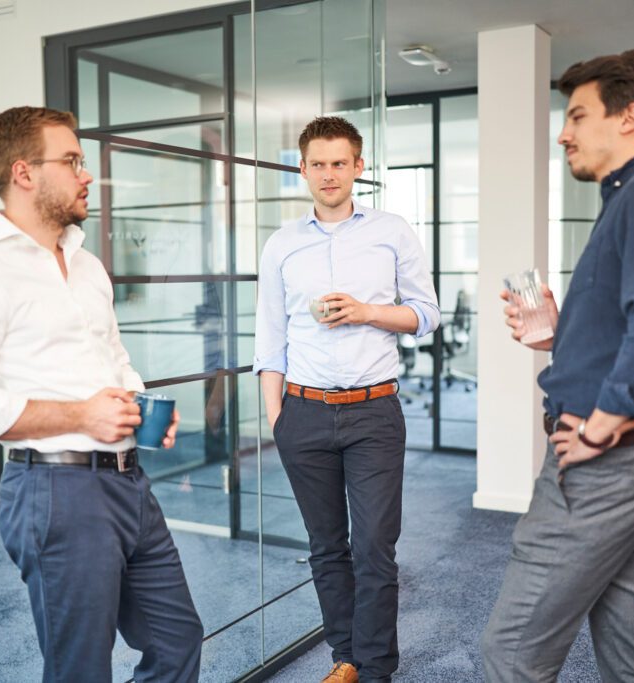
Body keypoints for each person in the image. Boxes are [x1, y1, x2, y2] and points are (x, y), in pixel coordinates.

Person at [0, 106, 203, 683]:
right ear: (24, 173)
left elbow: (113, 357)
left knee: (177, 642)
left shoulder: (86, 264)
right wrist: (81, 415)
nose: (87, 174)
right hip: (55, 491)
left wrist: (137, 403)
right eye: (72, 160)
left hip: (129, 484)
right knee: (80, 668)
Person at [480, 49, 634, 681]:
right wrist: (565, 335)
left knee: (510, 654)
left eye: (578, 114)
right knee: (629, 648)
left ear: (629, 117)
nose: (564, 132)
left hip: (607, 457)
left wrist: (597, 427)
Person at [254, 116, 440, 683]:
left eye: (340, 162)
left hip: (373, 412)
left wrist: (366, 311)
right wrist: (277, 417)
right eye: (318, 163)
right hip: (302, 414)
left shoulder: (391, 230)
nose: (329, 173)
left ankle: (377, 668)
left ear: (359, 167)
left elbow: (427, 315)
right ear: (303, 168)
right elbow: (269, 336)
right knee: (326, 546)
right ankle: (346, 659)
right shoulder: (282, 244)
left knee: (375, 548)